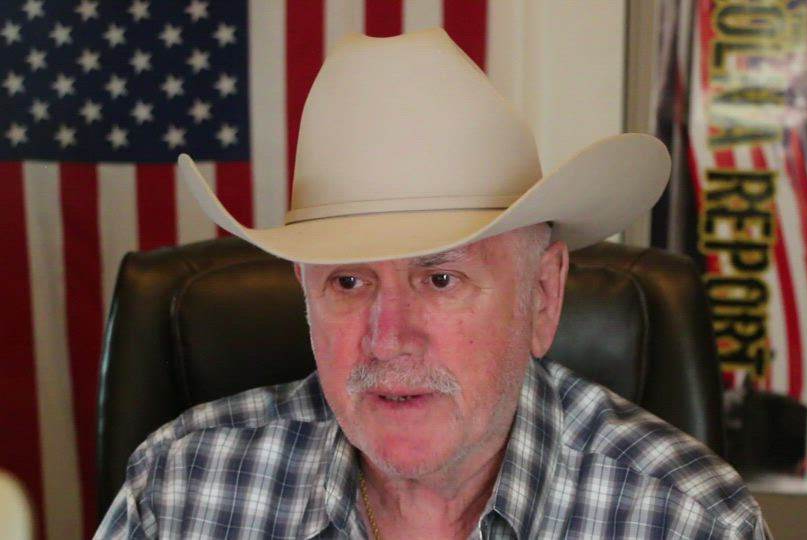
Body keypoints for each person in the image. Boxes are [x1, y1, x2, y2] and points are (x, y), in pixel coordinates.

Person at [96, 29, 769, 539]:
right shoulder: (181, 487)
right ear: (304, 294)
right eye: (349, 281)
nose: (389, 340)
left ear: (542, 296)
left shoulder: (688, 522)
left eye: (441, 278)